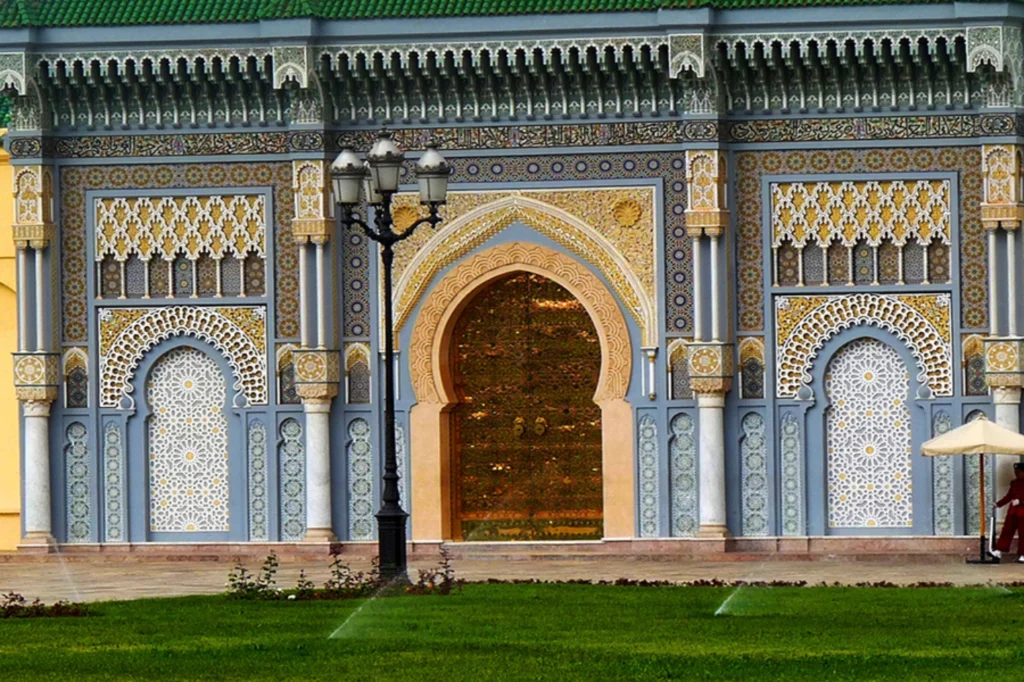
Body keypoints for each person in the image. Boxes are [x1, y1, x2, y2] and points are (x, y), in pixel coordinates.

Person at [991, 462, 1024, 562]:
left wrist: (1021, 501)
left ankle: (1023, 554)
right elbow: (1009, 496)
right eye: (1015, 472)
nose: (1016, 474)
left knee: (1023, 534)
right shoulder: (1014, 483)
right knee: (1006, 531)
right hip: (1013, 512)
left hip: (1023, 512)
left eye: (1019, 472)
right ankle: (999, 550)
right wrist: (998, 504)